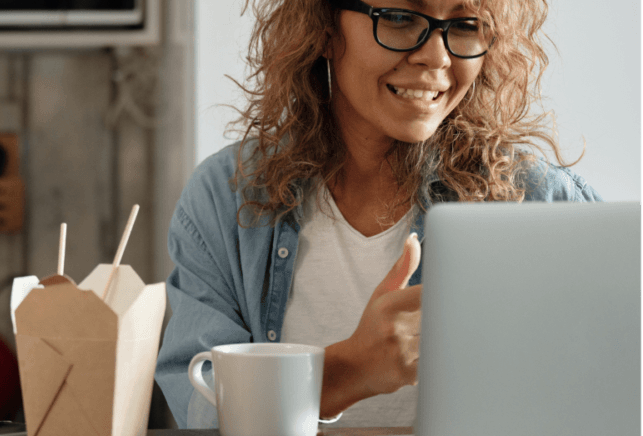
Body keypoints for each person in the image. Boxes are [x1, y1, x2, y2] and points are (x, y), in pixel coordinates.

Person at [154, 0, 602, 429]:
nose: (436, 57)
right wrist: (348, 371)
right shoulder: (226, 198)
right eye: (400, 18)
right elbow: (201, 408)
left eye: (466, 25)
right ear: (324, 27)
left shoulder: (538, 200)